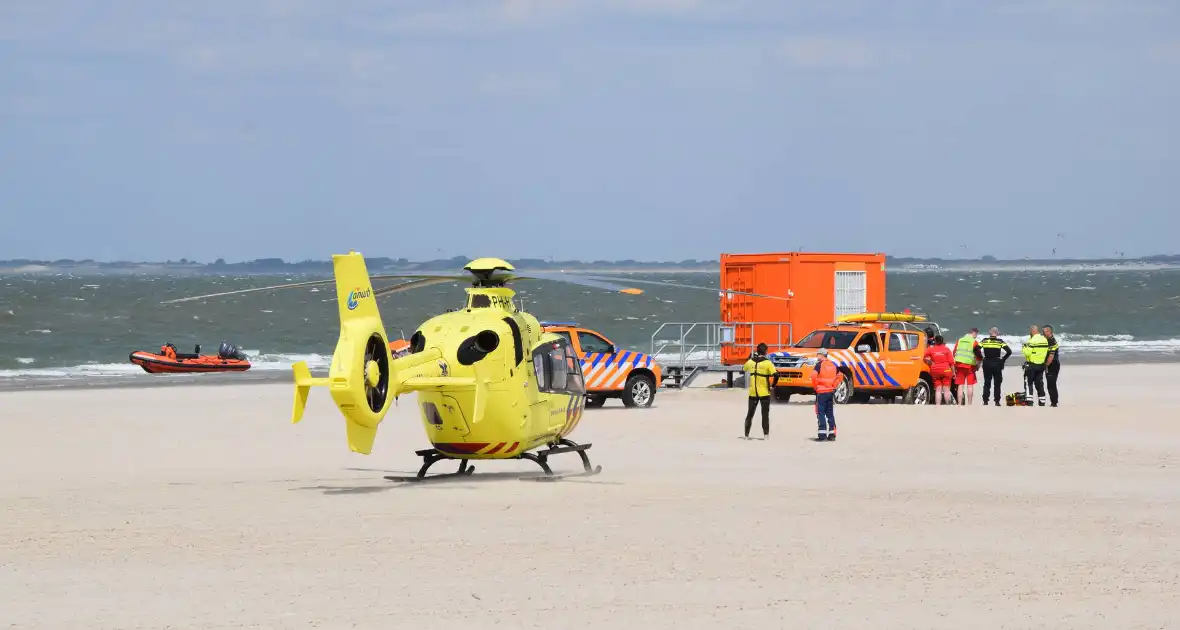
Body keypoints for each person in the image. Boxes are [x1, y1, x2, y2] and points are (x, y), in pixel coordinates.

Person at [741, 342, 776, 439]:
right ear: (766, 352)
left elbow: (743, 369)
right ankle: (766, 435)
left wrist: (749, 359)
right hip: (764, 392)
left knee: (750, 414)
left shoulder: (751, 361)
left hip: (753, 392)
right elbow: (776, 374)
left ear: (757, 351)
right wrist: (773, 385)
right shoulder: (768, 363)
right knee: (765, 414)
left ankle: (746, 435)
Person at [811, 348, 843, 441]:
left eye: (818, 354)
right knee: (830, 414)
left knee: (820, 413)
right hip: (830, 392)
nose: (817, 356)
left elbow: (813, 376)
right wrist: (834, 385)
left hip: (821, 392)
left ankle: (822, 435)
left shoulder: (819, 365)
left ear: (821, 355)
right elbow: (840, 376)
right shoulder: (833, 364)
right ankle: (832, 435)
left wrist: (816, 386)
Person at [978, 327, 1013, 406]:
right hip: (997, 363)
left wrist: (981, 357)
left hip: (987, 362)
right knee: (997, 383)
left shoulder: (984, 340)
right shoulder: (1000, 341)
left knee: (987, 383)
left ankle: (985, 401)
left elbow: (976, 349)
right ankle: (997, 401)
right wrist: (1003, 359)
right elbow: (1009, 351)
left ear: (990, 333)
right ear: (997, 333)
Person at [952, 328, 982, 405]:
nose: (976, 336)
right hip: (970, 366)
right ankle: (969, 404)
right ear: (974, 333)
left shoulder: (960, 340)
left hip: (959, 365)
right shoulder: (974, 342)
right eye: (976, 335)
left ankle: (959, 403)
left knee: (960, 386)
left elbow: (954, 352)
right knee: (970, 385)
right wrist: (978, 366)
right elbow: (979, 357)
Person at [1022, 325, 1050, 406]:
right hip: (1041, 365)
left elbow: (1027, 353)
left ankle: (1029, 400)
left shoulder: (1032, 340)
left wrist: (1024, 347)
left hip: (1031, 365)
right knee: (1039, 383)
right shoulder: (1044, 339)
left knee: (1028, 382)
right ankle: (1042, 401)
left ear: (1032, 331)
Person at [923, 334, 955, 404]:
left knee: (938, 390)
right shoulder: (946, 349)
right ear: (942, 341)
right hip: (946, 370)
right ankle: (948, 405)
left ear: (935, 341)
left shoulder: (930, 349)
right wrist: (954, 373)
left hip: (935, 370)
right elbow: (952, 363)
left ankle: (938, 406)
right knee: (946, 390)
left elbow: (923, 356)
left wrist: (928, 362)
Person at [1043, 325, 1060, 407]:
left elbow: (1051, 356)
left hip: (1053, 365)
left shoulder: (1052, 342)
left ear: (1050, 332)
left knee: (1051, 384)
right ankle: (1053, 401)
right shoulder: (1047, 340)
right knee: (1050, 385)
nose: (1044, 333)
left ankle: (1054, 402)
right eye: (1043, 331)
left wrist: (1046, 365)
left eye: (1046, 331)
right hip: (1050, 365)